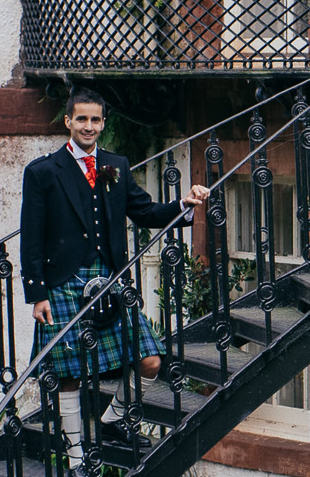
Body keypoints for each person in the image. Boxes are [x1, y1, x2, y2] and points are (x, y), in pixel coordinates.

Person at [20, 89, 209, 383]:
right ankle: (75, 433)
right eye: (81, 119)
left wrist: (183, 204)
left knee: (150, 361)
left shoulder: (115, 165)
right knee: (68, 374)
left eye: (95, 120)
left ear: (104, 123)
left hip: (108, 280)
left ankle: (115, 420)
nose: (88, 126)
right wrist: (37, 294)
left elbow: (144, 211)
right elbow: (31, 237)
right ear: (68, 121)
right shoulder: (42, 171)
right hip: (62, 283)